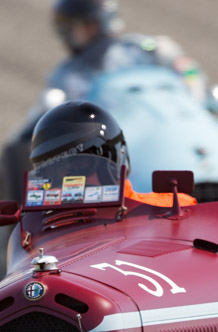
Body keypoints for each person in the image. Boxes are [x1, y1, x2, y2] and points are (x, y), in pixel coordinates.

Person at [28, 100, 196, 209]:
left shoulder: (170, 208)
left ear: (111, 161)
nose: (68, 182)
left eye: (80, 165)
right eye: (55, 171)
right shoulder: (33, 234)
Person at [47, 0, 208, 103]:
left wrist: (195, 97)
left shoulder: (145, 48)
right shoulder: (65, 76)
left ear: (95, 24)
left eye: (72, 26)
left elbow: (188, 68)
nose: (66, 33)